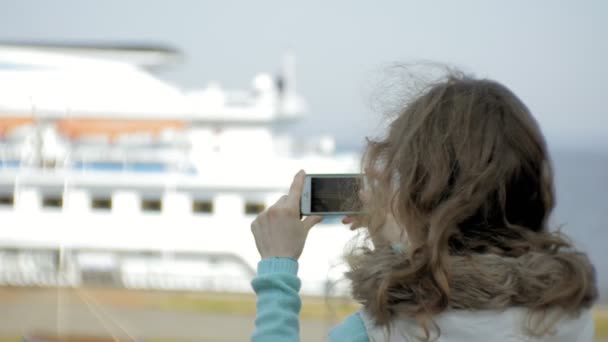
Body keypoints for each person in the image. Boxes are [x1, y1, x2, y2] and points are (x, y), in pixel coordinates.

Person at [250, 72, 598, 341]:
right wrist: (397, 243)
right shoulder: (571, 315)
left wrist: (277, 270)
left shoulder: (374, 333)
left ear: (422, 199)